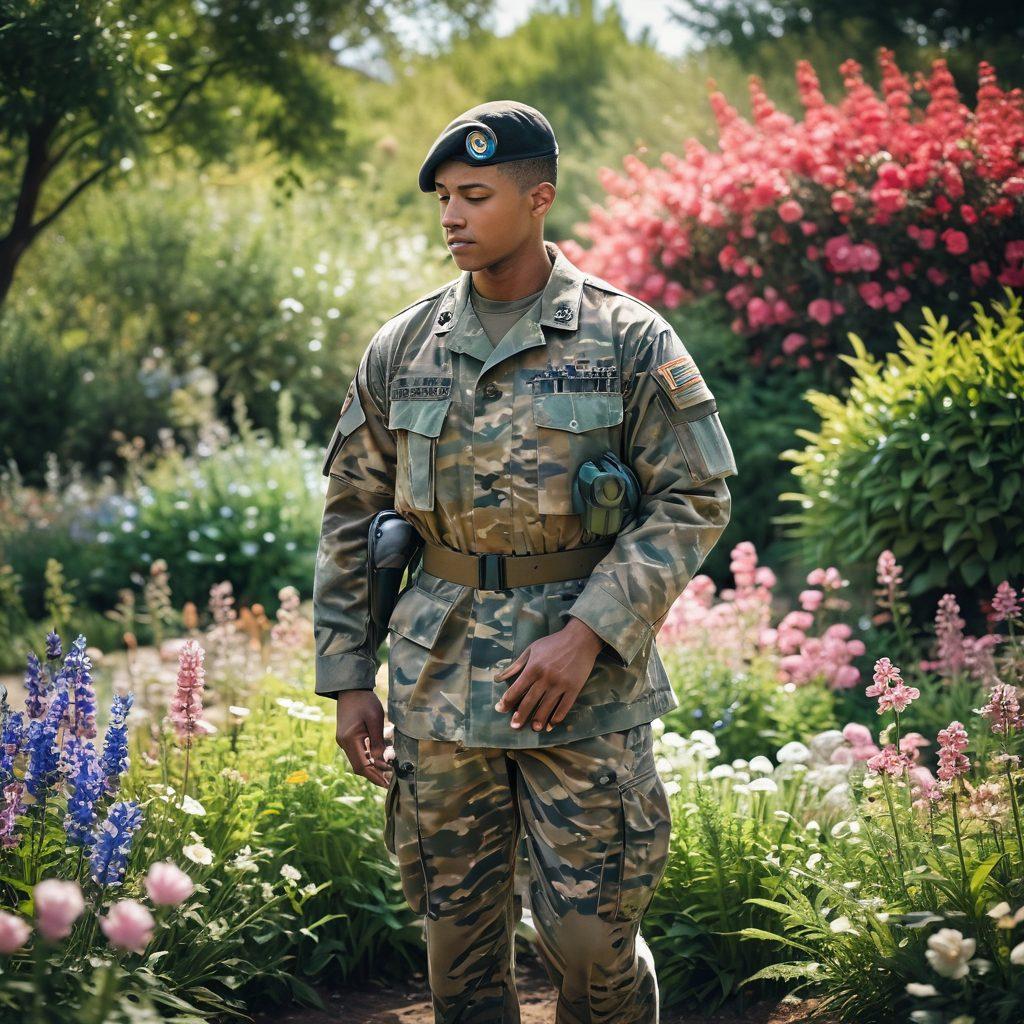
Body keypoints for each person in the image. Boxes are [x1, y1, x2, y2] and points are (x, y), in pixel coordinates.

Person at [313, 100, 738, 1024]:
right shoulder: (403, 346)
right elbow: (352, 511)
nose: (452, 217)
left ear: (538, 197)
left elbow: (696, 495)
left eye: (475, 195)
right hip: (437, 676)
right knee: (456, 945)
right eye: (444, 200)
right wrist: (349, 677)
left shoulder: (625, 340)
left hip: (575, 680)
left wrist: (589, 634)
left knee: (591, 941)